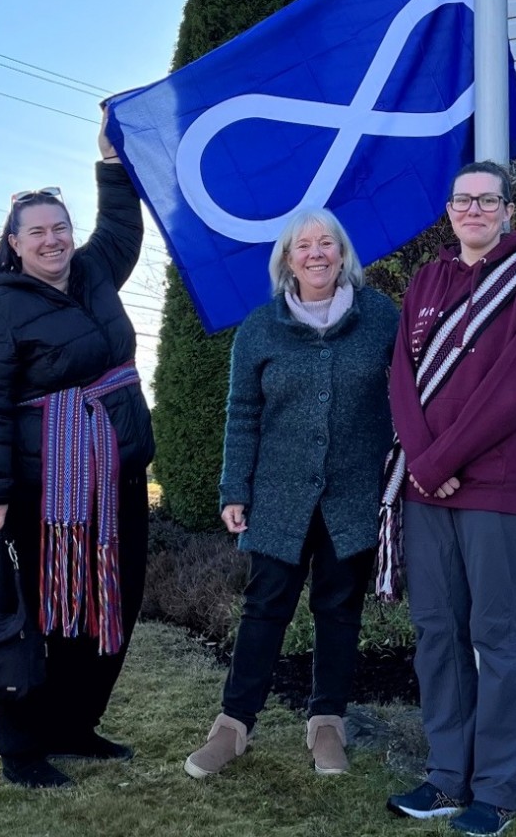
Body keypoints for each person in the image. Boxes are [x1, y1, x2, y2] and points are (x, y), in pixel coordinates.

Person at [0, 119, 154, 789]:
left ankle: (73, 726)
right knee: (32, 611)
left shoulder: (93, 274)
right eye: (37, 231)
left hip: (115, 478)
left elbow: (122, 230)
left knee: (105, 604)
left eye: (59, 227)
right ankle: (20, 747)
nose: (53, 239)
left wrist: (111, 166)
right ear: (13, 243)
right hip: (40, 489)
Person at [184, 208, 399, 780]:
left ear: (343, 253)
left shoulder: (381, 318)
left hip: (354, 493)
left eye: (327, 242)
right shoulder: (260, 327)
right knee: (264, 609)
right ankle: (232, 728)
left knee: (338, 610)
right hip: (279, 495)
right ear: (287, 259)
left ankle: (327, 724)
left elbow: (409, 394)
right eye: (303, 245)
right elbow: (243, 413)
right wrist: (235, 487)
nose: (317, 253)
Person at [385, 160, 516, 836]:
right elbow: (402, 376)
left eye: (488, 200)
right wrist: (427, 465)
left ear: (508, 212)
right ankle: (446, 777)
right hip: (429, 489)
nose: (475, 210)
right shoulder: (426, 281)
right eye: (464, 200)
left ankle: (497, 789)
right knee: (436, 633)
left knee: (493, 638)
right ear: (451, 209)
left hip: (495, 487)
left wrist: (439, 460)